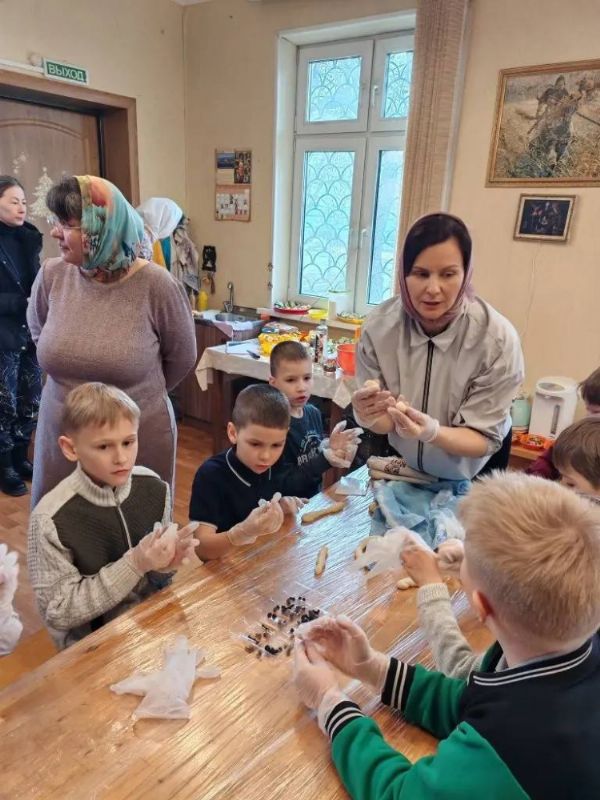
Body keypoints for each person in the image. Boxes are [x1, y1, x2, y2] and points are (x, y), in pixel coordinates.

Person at [293, 472, 600, 798]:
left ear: (481, 607)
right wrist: (372, 668)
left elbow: (398, 794)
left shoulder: (506, 749)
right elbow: (470, 700)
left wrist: (329, 701)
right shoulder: (552, 649)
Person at [27, 175, 197, 506]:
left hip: (131, 440)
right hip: (63, 435)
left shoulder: (157, 285)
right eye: (56, 222)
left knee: (132, 529)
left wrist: (138, 391)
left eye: (67, 224)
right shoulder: (51, 274)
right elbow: (38, 332)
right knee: (59, 525)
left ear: (101, 227)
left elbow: (182, 357)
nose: (55, 232)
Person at [352, 213, 524, 481]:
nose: (433, 289)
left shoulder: (496, 340)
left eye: (448, 274)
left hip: (475, 471)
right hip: (407, 463)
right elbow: (384, 423)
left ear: (466, 274)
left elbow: (482, 438)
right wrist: (367, 413)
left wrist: (431, 432)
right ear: (403, 274)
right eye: (421, 274)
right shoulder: (379, 328)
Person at [27, 383, 198, 650]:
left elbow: (155, 580)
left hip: (151, 624)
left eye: (128, 442)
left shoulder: (155, 488)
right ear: (70, 448)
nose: (121, 457)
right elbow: (59, 612)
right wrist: (135, 563)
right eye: (104, 446)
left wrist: (164, 566)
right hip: (93, 646)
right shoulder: (49, 519)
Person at [189, 384, 298, 560]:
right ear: (233, 433)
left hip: (265, 558)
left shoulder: (279, 461)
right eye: (255, 444)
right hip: (224, 565)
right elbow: (202, 549)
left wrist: (283, 505)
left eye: (276, 445)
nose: (266, 456)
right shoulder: (211, 475)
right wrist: (239, 534)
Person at [269, 341, 362, 497]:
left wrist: (328, 446)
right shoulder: (273, 426)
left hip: (313, 498)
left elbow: (312, 451)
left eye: (307, 378)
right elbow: (284, 484)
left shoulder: (313, 413)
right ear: (273, 383)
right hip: (285, 505)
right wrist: (325, 459)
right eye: (291, 380)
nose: (301, 387)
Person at [0, 175, 43, 496]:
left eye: (24, 202)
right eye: (13, 201)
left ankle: (20, 457)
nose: (21, 208)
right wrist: (20, 302)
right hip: (4, 336)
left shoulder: (29, 238)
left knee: (31, 401)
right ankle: (5, 467)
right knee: (5, 404)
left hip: (31, 332)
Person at [527, 365, 600, 480]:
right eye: (588, 409)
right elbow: (548, 461)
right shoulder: (577, 436)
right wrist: (533, 477)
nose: (588, 417)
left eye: (595, 411)